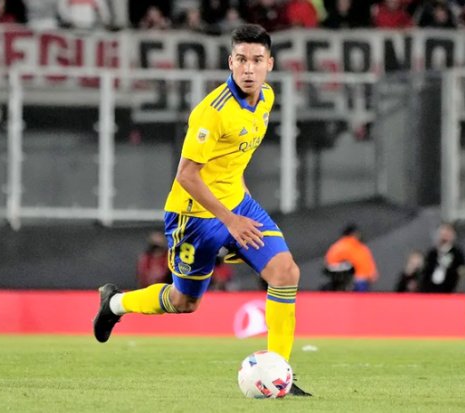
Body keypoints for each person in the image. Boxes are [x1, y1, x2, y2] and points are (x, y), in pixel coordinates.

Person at [93, 24, 311, 397]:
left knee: (285, 272)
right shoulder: (212, 112)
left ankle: (279, 374)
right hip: (193, 216)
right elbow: (187, 175)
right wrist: (230, 223)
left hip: (237, 204)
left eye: (257, 60)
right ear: (230, 62)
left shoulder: (266, 98)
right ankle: (114, 303)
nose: (248, 68)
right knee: (184, 302)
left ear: (270, 64)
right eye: (241, 59)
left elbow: (233, 161)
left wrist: (240, 213)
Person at [323, 223, 378, 292]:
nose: (359, 235)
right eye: (357, 233)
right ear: (353, 234)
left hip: (355, 279)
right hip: (356, 280)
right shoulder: (351, 247)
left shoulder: (340, 246)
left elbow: (329, 263)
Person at [420, 222, 465, 293]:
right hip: (430, 289)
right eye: (443, 233)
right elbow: (426, 269)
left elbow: (462, 270)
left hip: (449, 289)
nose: (444, 236)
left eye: (447, 233)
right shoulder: (432, 253)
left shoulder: (457, 253)